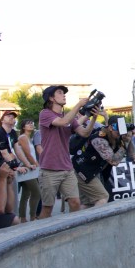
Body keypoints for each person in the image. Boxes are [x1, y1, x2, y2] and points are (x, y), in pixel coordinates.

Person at [38, 85, 98, 219]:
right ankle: (38, 232)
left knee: (75, 203)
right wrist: (79, 104)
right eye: (60, 92)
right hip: (49, 169)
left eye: (63, 93)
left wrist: (94, 117)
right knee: (47, 209)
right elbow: (63, 122)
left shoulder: (68, 117)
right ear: (51, 98)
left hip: (67, 168)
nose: (64, 95)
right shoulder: (45, 113)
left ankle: (73, 230)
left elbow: (85, 133)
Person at [73, 117, 127, 207]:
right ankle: (97, 216)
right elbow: (113, 161)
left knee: (88, 203)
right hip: (82, 171)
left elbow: (130, 154)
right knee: (102, 197)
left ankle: (82, 216)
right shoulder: (99, 139)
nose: (120, 134)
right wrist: (125, 144)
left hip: (90, 170)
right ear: (111, 127)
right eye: (118, 131)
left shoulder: (112, 136)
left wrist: (126, 139)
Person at [17, 119, 41, 222]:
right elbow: (28, 154)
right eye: (28, 124)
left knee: (26, 194)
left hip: (30, 167)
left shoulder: (29, 138)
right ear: (23, 127)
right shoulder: (23, 137)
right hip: (27, 167)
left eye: (32, 123)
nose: (31, 124)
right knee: (37, 192)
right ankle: (32, 216)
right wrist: (37, 165)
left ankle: (23, 217)